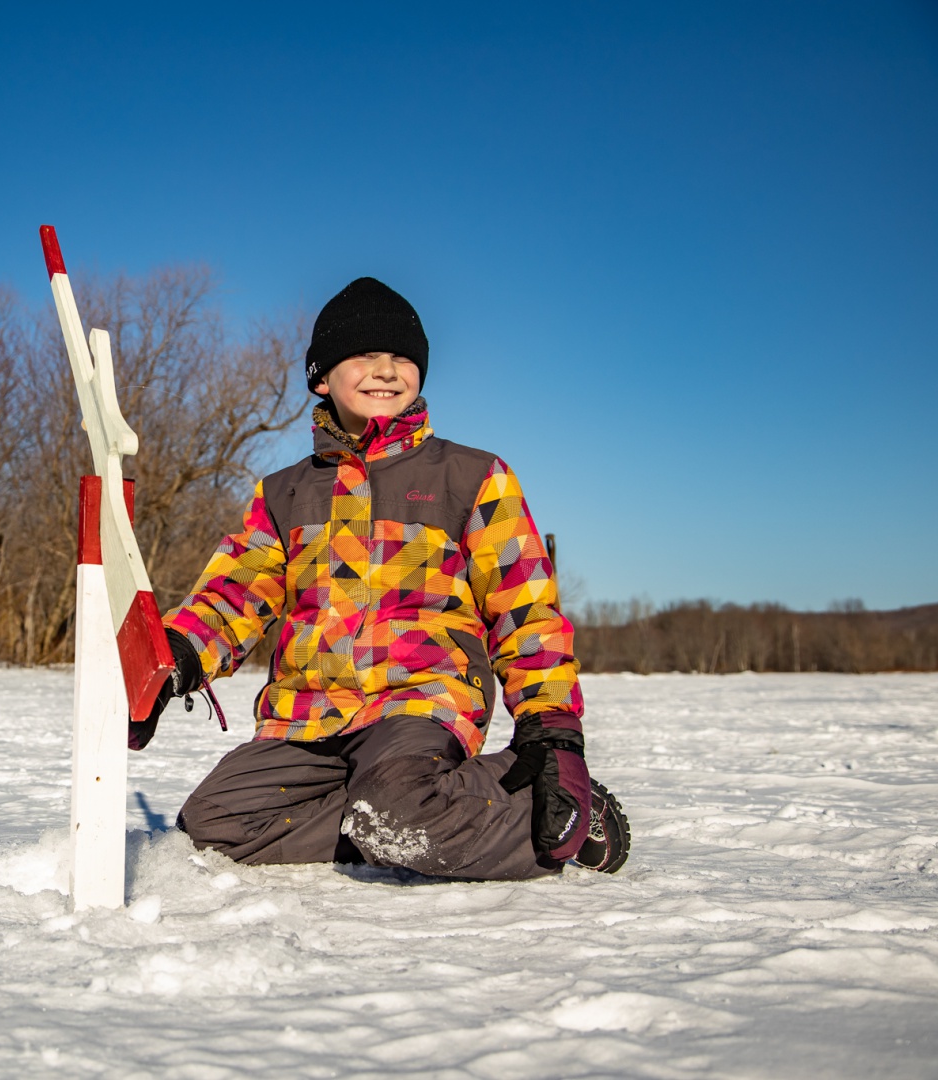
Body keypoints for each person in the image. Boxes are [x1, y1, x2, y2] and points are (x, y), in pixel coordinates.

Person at [139, 277, 629, 879]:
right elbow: (235, 594)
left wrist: (551, 730)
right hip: (309, 714)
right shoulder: (285, 492)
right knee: (216, 826)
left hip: (419, 701)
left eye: (402, 357)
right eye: (365, 355)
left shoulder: (471, 475)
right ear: (322, 377)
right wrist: (174, 656)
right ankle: (393, 814)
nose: (387, 370)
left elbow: (526, 611)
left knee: (399, 812)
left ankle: (552, 819)